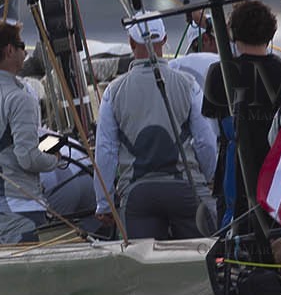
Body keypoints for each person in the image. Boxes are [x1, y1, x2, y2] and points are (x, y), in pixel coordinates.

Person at [93, 15, 218, 241]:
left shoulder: (113, 91)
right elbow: (205, 141)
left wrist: (104, 202)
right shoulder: (188, 84)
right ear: (165, 40)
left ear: (131, 43)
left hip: (138, 195)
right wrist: (210, 179)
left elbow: (105, 150)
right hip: (185, 188)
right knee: (200, 262)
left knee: (143, 272)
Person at [199, 0, 281, 227]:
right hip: (279, 173)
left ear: (233, 34)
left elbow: (212, 124)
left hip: (235, 175)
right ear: (271, 33)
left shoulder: (219, 73)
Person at [0, 20, 58, 245]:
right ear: (9, 50)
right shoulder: (20, 97)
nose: (25, 53)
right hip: (18, 212)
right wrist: (55, 157)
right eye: (22, 46)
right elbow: (28, 158)